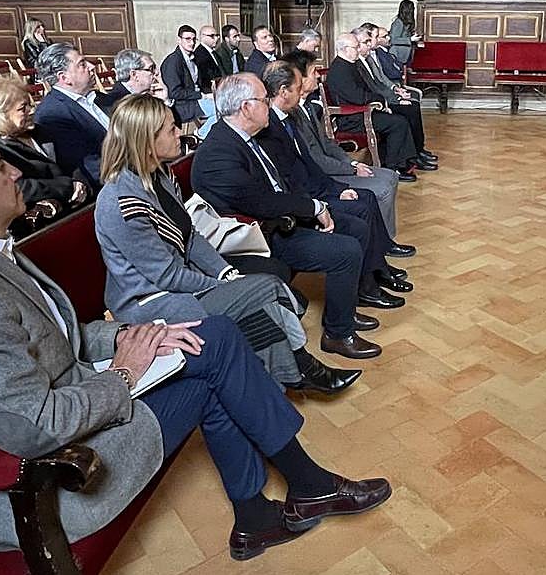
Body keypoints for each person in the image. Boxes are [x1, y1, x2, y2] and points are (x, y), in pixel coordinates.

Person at [0, 122, 391, 562]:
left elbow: (52, 336)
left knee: (208, 339)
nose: (14, 172)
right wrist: (125, 370)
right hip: (35, 480)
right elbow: (32, 427)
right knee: (214, 348)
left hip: (73, 401)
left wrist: (132, 335)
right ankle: (296, 492)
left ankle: (276, 503)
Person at [95, 94, 359, 394]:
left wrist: (225, 273)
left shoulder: (159, 174)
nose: (179, 133)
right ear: (146, 142)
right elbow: (166, 276)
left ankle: (287, 376)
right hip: (151, 302)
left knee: (258, 292)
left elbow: (190, 237)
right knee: (267, 289)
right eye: (170, 129)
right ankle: (297, 370)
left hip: (179, 282)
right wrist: (222, 285)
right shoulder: (122, 202)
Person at [192, 73, 385, 360]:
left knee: (356, 227)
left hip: (281, 217)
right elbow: (262, 203)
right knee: (345, 250)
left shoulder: (247, 136)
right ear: (246, 108)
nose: (269, 105)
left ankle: (346, 310)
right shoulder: (218, 152)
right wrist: (315, 208)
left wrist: (315, 204)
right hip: (261, 234)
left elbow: (281, 183)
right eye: (263, 100)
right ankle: (337, 335)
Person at [259, 60, 415, 298]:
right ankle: (368, 286)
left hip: (316, 185)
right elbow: (299, 172)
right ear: (284, 91)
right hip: (306, 198)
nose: (318, 77)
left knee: (366, 199)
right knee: (361, 209)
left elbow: (313, 158)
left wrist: (338, 185)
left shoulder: (291, 116)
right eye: (309, 76)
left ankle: (378, 269)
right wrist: (325, 197)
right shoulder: (272, 126)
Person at [285, 49, 402, 239]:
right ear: (300, 78)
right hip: (323, 176)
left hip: (333, 167)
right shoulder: (293, 114)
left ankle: (386, 240)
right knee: (381, 188)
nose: (318, 76)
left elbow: (327, 143)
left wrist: (352, 162)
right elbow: (315, 159)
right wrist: (352, 170)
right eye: (314, 72)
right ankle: (384, 241)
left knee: (390, 176)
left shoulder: (307, 106)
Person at [0, 75, 90, 233]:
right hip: (40, 227)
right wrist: (67, 187)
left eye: (30, 104)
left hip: (77, 209)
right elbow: (19, 187)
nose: (32, 110)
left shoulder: (41, 131)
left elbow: (73, 160)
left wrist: (79, 182)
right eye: (23, 108)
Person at [325, 32, 421, 180]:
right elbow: (357, 97)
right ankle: (392, 168)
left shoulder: (350, 65)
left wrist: (380, 100)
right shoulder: (339, 70)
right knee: (398, 123)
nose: (358, 50)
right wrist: (379, 100)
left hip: (362, 112)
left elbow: (365, 91)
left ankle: (402, 163)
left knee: (399, 119)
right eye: (356, 47)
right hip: (352, 118)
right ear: (345, 49)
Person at [352, 24, 436, 168]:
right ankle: (411, 157)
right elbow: (375, 87)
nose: (370, 43)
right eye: (369, 40)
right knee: (407, 112)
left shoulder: (373, 56)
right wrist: (396, 98)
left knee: (412, 106)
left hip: (383, 96)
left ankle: (417, 151)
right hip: (375, 104)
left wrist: (396, 90)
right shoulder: (360, 62)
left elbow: (384, 79)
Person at [33, 42, 108, 188]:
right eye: (82, 64)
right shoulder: (53, 114)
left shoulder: (100, 98)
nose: (92, 66)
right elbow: (89, 167)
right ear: (64, 77)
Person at [161, 25, 220, 125]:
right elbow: (174, 93)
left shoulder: (194, 58)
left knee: (225, 106)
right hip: (181, 106)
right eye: (188, 39)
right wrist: (202, 95)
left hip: (194, 101)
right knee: (220, 110)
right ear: (179, 40)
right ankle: (200, 133)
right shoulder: (173, 61)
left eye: (194, 39)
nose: (192, 43)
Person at [387, 0, 420, 77]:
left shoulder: (406, 22)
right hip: (397, 54)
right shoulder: (398, 22)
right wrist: (410, 39)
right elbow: (393, 39)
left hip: (405, 54)